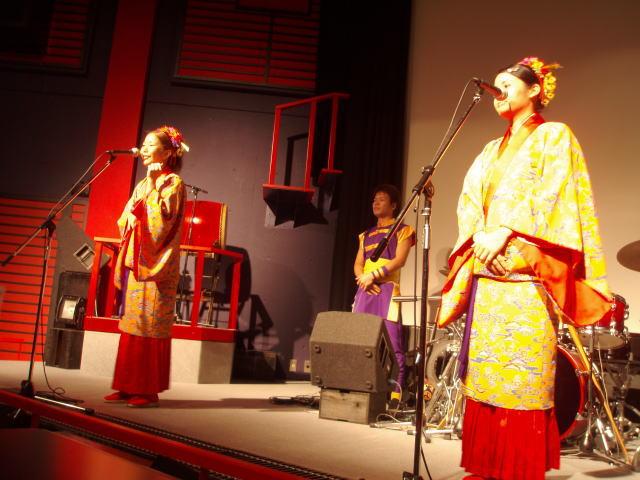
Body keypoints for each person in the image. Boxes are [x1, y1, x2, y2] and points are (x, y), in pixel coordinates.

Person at [437, 57, 612, 479]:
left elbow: (557, 196)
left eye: (507, 84)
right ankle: (485, 465)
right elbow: (469, 202)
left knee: (521, 377)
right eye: (495, 85)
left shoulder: (555, 136)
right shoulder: (488, 150)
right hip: (488, 272)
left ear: (534, 90)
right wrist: (482, 237)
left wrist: (507, 232)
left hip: (527, 276)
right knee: (487, 376)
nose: (498, 91)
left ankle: (518, 468)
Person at [104, 125, 188, 408]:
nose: (144, 149)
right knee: (133, 322)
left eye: (151, 144)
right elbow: (127, 215)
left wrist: (152, 187)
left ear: (167, 153)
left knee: (151, 325)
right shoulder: (143, 183)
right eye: (144, 143)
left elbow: (161, 223)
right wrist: (129, 218)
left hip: (157, 265)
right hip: (137, 261)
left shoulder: (173, 183)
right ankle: (127, 385)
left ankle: (147, 390)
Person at [353, 184, 416, 405]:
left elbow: (399, 260)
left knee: (393, 344)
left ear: (394, 205)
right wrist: (363, 279)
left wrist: (374, 275)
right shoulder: (366, 235)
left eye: (381, 199)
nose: (376, 202)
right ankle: (360, 389)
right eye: (374, 199)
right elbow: (358, 263)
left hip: (387, 291)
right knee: (359, 340)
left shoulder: (403, 230)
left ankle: (395, 395)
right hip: (365, 290)